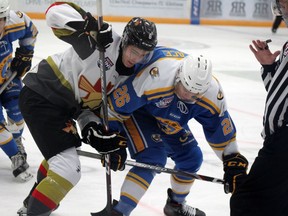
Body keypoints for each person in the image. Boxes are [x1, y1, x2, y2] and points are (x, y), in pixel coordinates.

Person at [16, 2, 157, 216]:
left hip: (60, 107)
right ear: (125, 41)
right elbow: (53, 12)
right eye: (134, 51)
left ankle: (32, 204)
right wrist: (89, 26)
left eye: (143, 55)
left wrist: (92, 129)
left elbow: (90, 104)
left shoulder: (128, 78)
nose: (136, 59)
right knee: (68, 169)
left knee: (61, 154)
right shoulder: (101, 44)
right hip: (42, 94)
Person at [92, 48, 248, 216]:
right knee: (152, 158)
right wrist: (113, 139)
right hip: (139, 109)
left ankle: (176, 205)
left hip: (167, 117)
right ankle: (119, 212)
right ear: (178, 77)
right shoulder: (155, 76)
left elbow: (221, 131)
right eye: (186, 90)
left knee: (192, 158)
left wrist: (232, 160)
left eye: (195, 95)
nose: (189, 97)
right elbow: (114, 108)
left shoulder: (212, 94)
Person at [230, 1, 288, 215]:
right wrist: (269, 66)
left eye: (285, 4)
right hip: (278, 140)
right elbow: (278, 92)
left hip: (283, 143)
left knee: (246, 201)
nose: (282, 10)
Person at [0, 0, 37, 181]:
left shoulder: (14, 22)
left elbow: (30, 28)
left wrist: (26, 53)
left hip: (6, 77)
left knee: (18, 107)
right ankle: (15, 155)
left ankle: (16, 140)